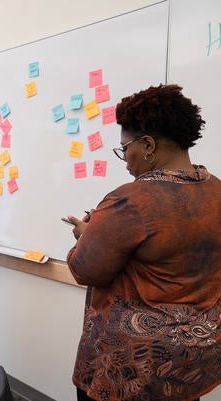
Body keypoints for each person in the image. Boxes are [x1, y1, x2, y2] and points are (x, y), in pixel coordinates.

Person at [65, 84, 221, 401]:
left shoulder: (132, 200)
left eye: (126, 149)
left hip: (134, 367)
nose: (125, 159)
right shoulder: (217, 191)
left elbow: (86, 270)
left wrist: (84, 237)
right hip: (193, 361)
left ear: (148, 144)